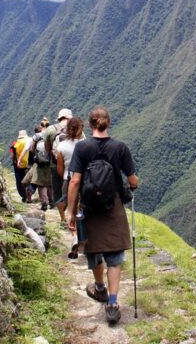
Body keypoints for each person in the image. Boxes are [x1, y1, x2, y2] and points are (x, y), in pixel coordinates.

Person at [66, 106, 139, 325]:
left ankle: (99, 288)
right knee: (114, 257)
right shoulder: (120, 148)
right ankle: (114, 303)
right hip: (113, 207)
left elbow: (75, 181)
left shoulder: (82, 147)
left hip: (89, 207)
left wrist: (70, 210)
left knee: (94, 251)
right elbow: (133, 180)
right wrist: (131, 186)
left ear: (90, 125)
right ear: (109, 123)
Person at [56, 116, 85, 258]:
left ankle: (74, 235)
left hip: (68, 180)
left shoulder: (61, 146)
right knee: (83, 209)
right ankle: (84, 237)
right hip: (85, 180)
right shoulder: (85, 144)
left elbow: (59, 169)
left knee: (71, 210)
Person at [45, 108, 72, 218]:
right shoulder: (75, 128)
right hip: (72, 166)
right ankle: (72, 213)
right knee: (72, 189)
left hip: (55, 165)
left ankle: (61, 216)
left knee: (57, 189)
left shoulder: (51, 129)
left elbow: (47, 148)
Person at [29, 125, 52, 211]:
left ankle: (44, 202)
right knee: (50, 183)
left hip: (40, 163)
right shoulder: (51, 133)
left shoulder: (36, 136)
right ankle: (52, 201)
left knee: (41, 184)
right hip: (50, 163)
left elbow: (31, 149)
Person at [11, 130, 30, 202]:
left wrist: (14, 161)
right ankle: (29, 195)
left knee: (19, 180)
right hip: (27, 164)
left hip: (17, 165)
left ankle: (23, 196)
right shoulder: (28, 142)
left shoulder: (14, 144)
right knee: (27, 180)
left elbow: (12, 155)